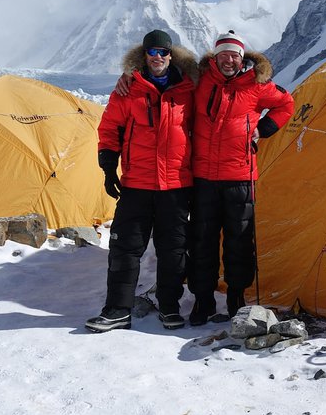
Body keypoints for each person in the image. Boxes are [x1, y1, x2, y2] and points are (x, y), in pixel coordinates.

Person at [86, 29, 198, 333]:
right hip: (137, 183)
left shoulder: (190, 89)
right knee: (125, 248)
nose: (158, 57)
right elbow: (109, 128)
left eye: (163, 52)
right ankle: (117, 310)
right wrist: (109, 167)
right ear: (144, 55)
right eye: (152, 52)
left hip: (175, 185)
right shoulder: (128, 89)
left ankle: (170, 308)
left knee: (172, 250)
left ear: (171, 55)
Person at [186, 31, 294, 323]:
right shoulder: (200, 79)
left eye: (234, 55)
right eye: (224, 55)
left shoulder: (256, 85)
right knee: (202, 240)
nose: (229, 60)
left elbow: (286, 104)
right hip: (204, 176)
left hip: (240, 174)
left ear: (242, 57)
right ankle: (203, 299)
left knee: (240, 241)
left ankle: (237, 297)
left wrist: (266, 127)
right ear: (215, 57)